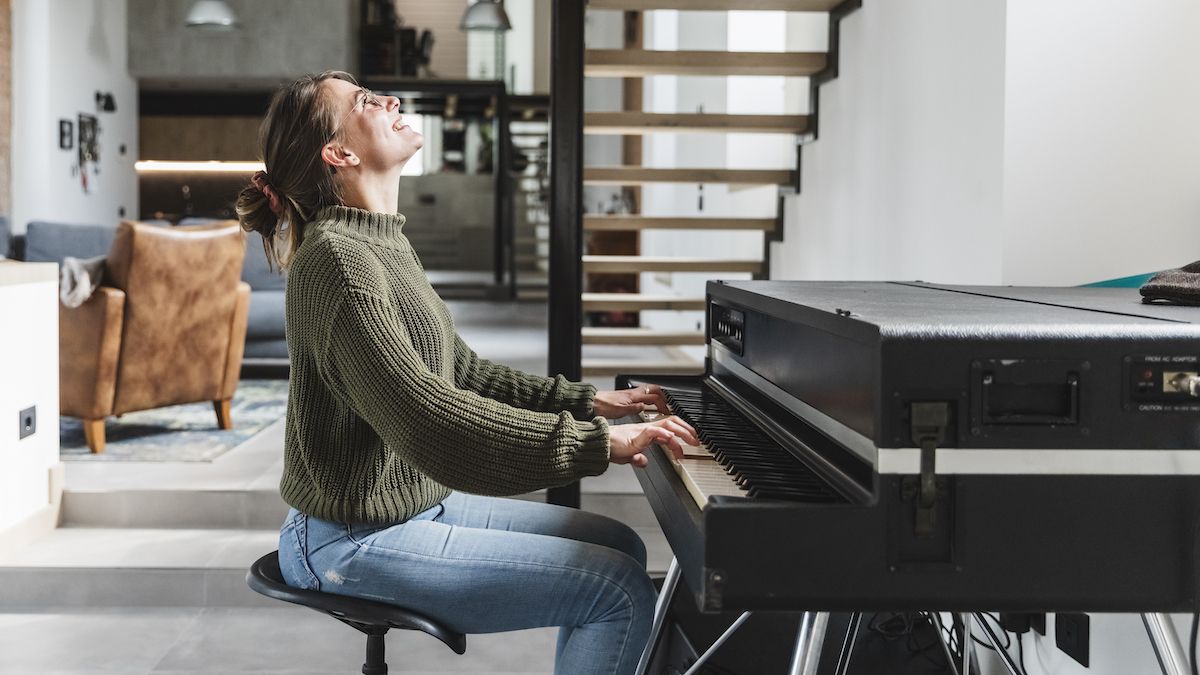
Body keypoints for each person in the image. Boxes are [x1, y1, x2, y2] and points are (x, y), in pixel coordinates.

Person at [234, 70, 699, 675]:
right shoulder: (336, 262)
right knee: (614, 590)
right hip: (349, 538)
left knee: (622, 546)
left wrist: (591, 403)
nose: (391, 100)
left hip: (410, 508)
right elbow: (429, 422)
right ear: (339, 152)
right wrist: (597, 444)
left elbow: (464, 373)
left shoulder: (381, 244)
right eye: (365, 102)